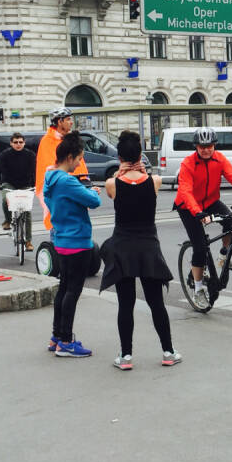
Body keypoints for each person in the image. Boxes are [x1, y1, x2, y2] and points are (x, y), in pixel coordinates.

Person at [99, 131, 180, 370]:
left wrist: (120, 172)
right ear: (140, 155)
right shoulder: (153, 181)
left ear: (120, 156)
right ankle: (168, 351)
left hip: (123, 246)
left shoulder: (112, 183)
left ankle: (126, 357)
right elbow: (143, 180)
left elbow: (116, 186)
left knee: (126, 304)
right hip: (148, 247)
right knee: (156, 303)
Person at [174, 126, 232, 310]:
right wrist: (198, 212)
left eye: (209, 146)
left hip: (211, 201)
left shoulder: (219, 159)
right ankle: (198, 290)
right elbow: (185, 191)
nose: (206, 150)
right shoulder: (188, 163)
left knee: (231, 220)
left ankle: (223, 255)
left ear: (214, 145)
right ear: (196, 147)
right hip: (189, 207)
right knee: (199, 247)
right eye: (202, 146)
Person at [43, 132, 101, 357]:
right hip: (77, 241)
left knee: (64, 288)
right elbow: (94, 201)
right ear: (69, 157)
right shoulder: (67, 180)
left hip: (61, 240)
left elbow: (57, 200)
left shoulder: (51, 177)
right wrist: (89, 191)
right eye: (78, 158)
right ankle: (66, 341)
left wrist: (82, 192)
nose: (79, 163)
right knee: (72, 292)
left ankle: (57, 336)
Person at [36, 106, 90, 231]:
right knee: (59, 224)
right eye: (68, 119)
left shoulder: (69, 139)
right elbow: (50, 167)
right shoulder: (47, 141)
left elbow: (80, 163)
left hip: (75, 184)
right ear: (59, 122)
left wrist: (85, 181)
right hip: (58, 188)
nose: (71, 122)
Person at [0, 131, 36, 250]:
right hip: (9, 184)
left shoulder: (30, 155)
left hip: (25, 185)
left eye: (21, 142)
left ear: (24, 143)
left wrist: (37, 185)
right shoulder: (5, 155)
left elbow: (36, 171)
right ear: (11, 143)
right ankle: (7, 220)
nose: (18, 144)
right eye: (15, 142)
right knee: (6, 199)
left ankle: (28, 241)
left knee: (27, 212)